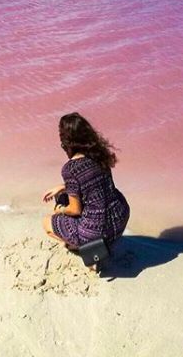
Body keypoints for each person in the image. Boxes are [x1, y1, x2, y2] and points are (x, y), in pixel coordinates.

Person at [41, 112, 130, 264]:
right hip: (119, 218)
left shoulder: (71, 169)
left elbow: (76, 210)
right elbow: (95, 184)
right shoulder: (99, 154)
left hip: (96, 232)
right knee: (62, 195)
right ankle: (100, 245)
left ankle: (84, 249)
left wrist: (60, 209)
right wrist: (63, 187)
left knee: (47, 222)